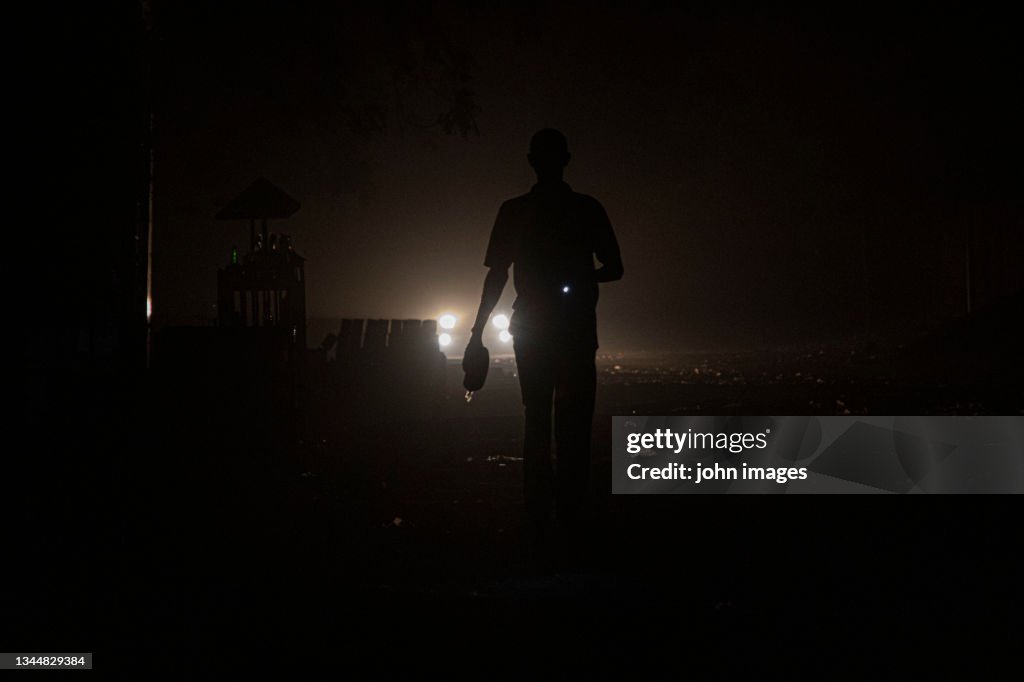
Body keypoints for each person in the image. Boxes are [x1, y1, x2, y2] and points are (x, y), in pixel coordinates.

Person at [465, 129, 624, 527]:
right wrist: (581, 279)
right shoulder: (586, 208)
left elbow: (496, 276)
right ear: (566, 159)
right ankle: (573, 509)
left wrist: (476, 333)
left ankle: (538, 506)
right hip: (575, 326)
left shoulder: (514, 211)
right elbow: (615, 268)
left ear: (531, 161)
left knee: (536, 416)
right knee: (575, 420)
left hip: (532, 325)